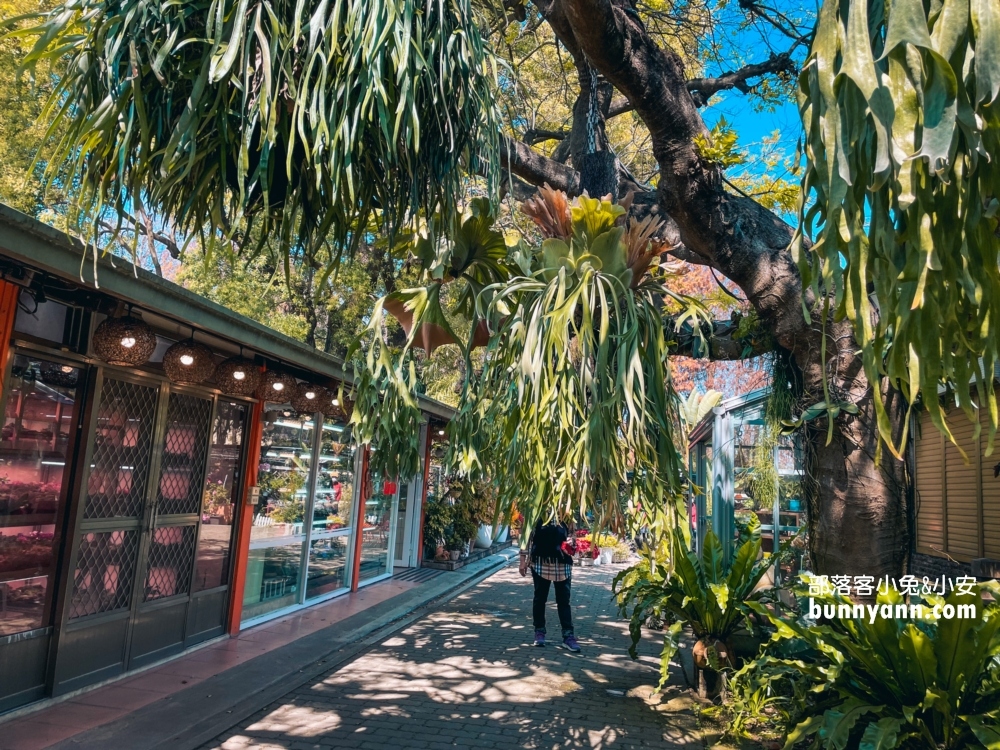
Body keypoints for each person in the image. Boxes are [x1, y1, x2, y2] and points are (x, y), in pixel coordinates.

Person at [519, 518, 580, 652]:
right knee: (540, 598)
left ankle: (568, 636)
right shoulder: (537, 511)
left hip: (562, 564)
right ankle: (539, 631)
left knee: (564, 601)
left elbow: (572, 533)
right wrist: (522, 560)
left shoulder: (566, 511)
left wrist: (572, 542)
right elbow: (526, 535)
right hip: (540, 563)